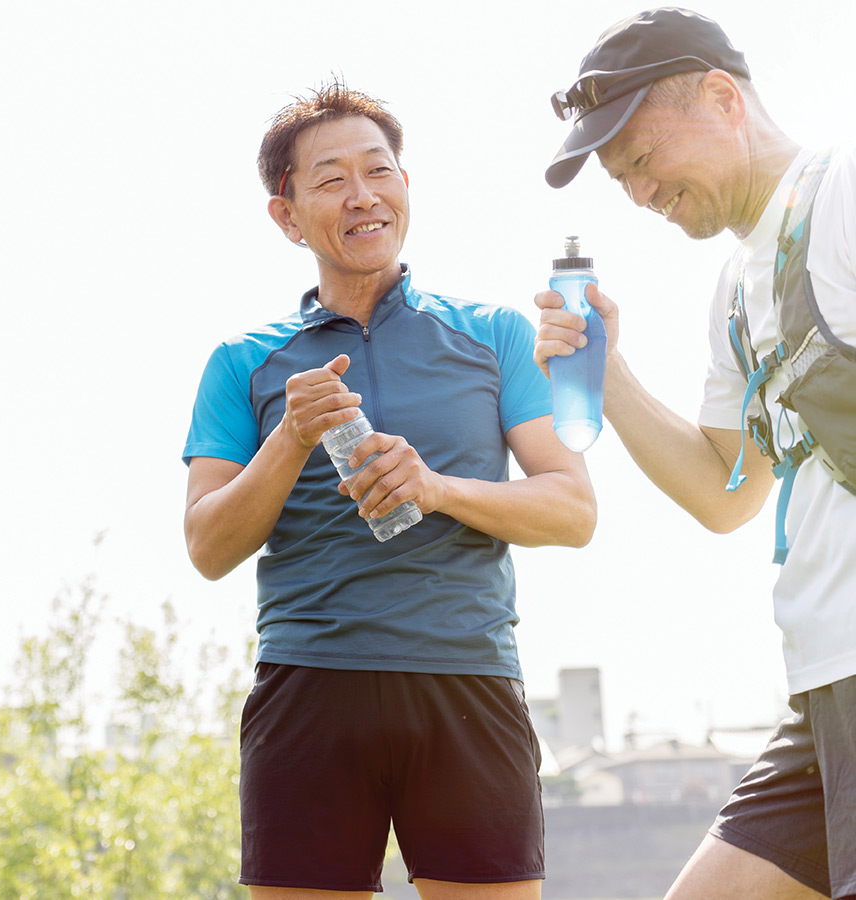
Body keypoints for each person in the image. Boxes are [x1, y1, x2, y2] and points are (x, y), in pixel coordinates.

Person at [182, 82, 596, 900]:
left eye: (380, 171)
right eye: (331, 179)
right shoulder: (244, 361)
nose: (363, 195)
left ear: (406, 185)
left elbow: (573, 509)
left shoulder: (492, 335)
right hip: (308, 689)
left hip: (468, 683)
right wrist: (290, 439)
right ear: (287, 215)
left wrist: (438, 488)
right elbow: (208, 547)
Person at [538, 8, 856, 900]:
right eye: (620, 179)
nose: (639, 193)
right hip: (826, 680)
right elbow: (728, 494)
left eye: (642, 159)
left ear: (722, 97)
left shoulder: (843, 199)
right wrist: (607, 377)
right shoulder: (736, 289)